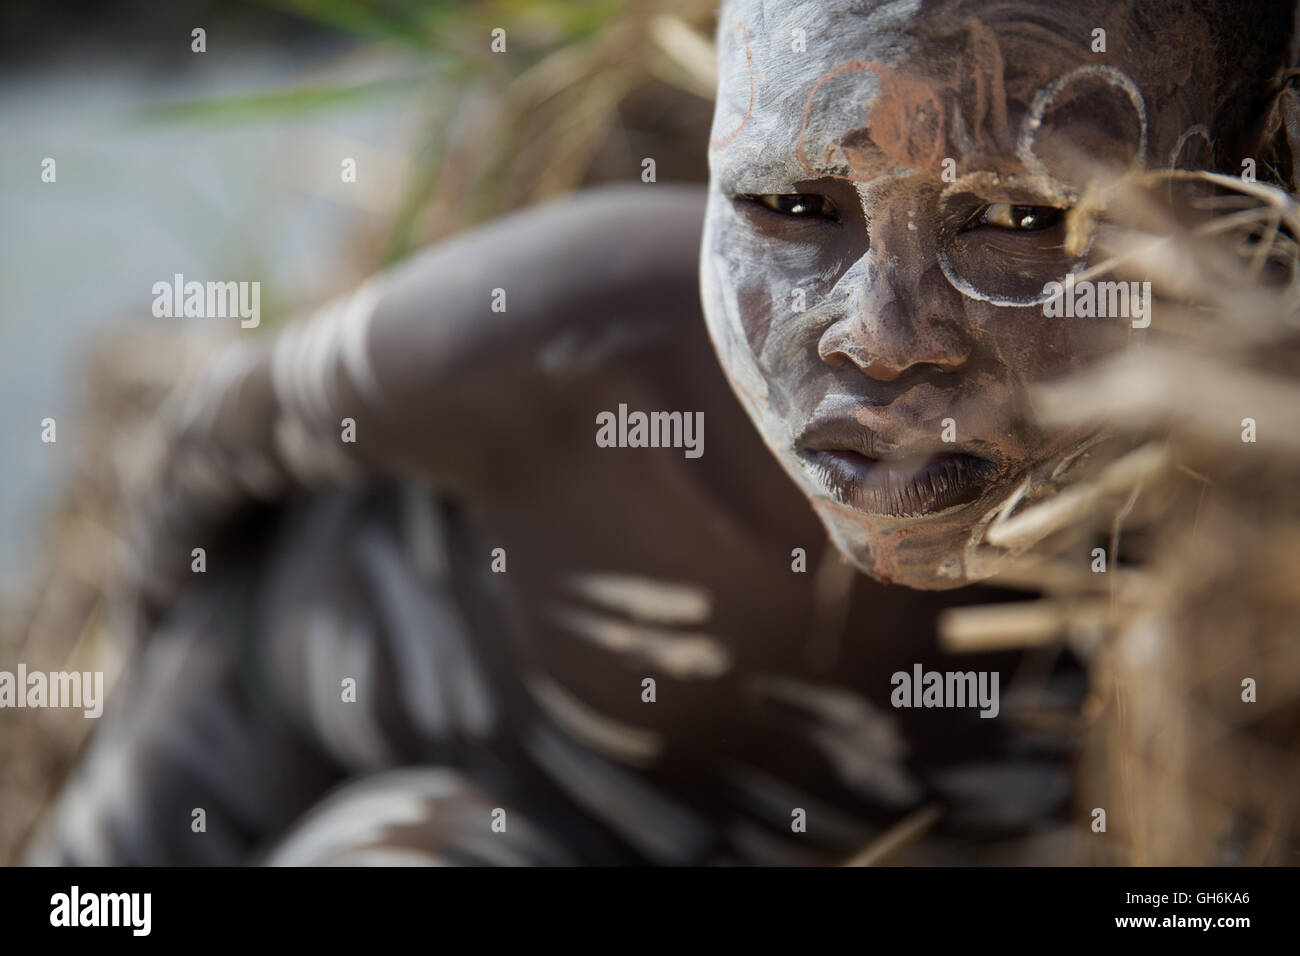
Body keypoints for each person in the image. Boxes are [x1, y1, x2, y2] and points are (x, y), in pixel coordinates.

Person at [26, 0, 1299, 865]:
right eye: (791, 205)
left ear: (1250, 194)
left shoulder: (1239, 569)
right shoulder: (567, 336)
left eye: (1022, 223)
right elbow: (206, 443)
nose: (884, 332)